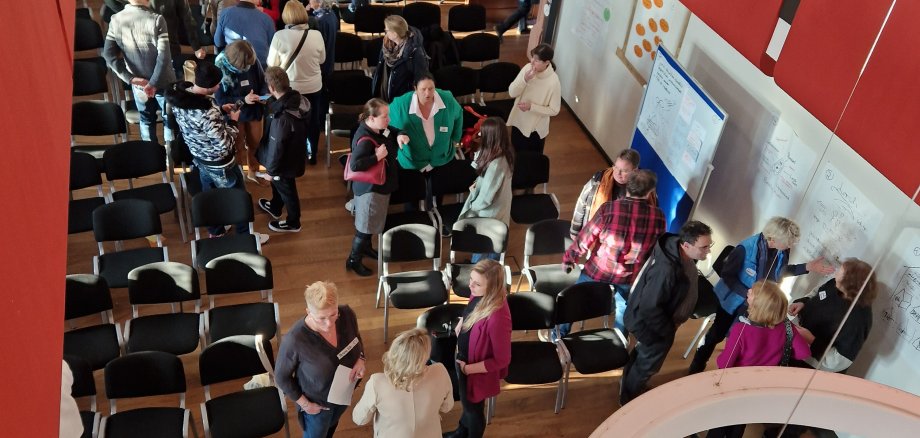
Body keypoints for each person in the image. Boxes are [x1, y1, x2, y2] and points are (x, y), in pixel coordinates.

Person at [688, 217, 836, 374]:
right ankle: (697, 366)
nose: (790, 246)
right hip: (733, 301)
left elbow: (779, 272)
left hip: (757, 304)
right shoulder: (746, 248)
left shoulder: (782, 250)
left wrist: (806, 267)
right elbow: (727, 276)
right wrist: (750, 294)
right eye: (788, 243)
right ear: (772, 239)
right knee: (716, 335)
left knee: (742, 339)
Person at [166, 61, 269, 244]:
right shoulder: (207, 112)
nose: (220, 86)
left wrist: (220, 109)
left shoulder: (181, 98)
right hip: (220, 162)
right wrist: (233, 122)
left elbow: (199, 125)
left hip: (200, 157)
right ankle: (245, 236)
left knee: (210, 196)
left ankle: (216, 231)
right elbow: (224, 144)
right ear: (208, 87)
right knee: (239, 199)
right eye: (217, 84)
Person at [619, 220, 714, 405]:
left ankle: (630, 385)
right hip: (652, 326)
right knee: (647, 363)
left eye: (709, 246)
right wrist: (666, 331)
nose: (708, 251)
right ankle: (628, 400)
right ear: (686, 245)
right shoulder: (667, 270)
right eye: (704, 247)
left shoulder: (679, 253)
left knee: (642, 356)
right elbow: (649, 307)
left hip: (658, 323)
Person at [561, 170, 666, 336]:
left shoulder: (608, 209)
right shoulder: (659, 217)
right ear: (650, 192)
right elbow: (657, 249)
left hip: (598, 270)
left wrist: (570, 258)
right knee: (623, 308)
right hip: (629, 276)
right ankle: (619, 340)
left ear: (627, 187)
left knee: (574, 299)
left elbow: (586, 237)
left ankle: (559, 334)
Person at [706, 280, 811, 438]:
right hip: (760, 387)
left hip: (736, 385)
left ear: (758, 305)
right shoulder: (787, 327)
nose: (748, 292)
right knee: (741, 420)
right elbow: (803, 353)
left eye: (751, 293)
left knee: (721, 421)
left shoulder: (741, 330)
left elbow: (724, 364)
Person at [276, 281, 367, 438]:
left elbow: (356, 338)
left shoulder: (346, 314)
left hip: (343, 394)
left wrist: (361, 358)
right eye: (321, 318)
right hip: (317, 406)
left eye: (333, 314)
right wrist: (306, 405)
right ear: (308, 312)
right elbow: (281, 377)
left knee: (331, 427)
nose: (329, 323)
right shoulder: (295, 340)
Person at [444, 259, 512, 438]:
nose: (470, 286)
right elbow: (472, 308)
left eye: (477, 283)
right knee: (467, 404)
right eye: (471, 279)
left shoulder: (499, 317)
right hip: (464, 360)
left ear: (492, 288)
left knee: (473, 409)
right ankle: (461, 431)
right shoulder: (479, 294)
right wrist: (462, 320)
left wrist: (468, 369)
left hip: (475, 370)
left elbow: (502, 359)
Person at [352, 328, 454, 437]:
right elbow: (447, 407)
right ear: (425, 356)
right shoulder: (440, 371)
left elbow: (359, 419)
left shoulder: (377, 382)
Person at [346, 98, 407, 277]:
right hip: (370, 191)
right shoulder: (365, 138)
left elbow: (392, 130)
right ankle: (353, 260)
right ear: (371, 118)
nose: (388, 119)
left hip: (380, 186)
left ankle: (366, 249)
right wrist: (377, 157)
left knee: (371, 223)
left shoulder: (378, 128)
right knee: (364, 227)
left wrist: (401, 133)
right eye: (385, 116)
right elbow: (355, 165)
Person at [103, 0, 176, 145]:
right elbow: (164, 57)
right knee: (169, 117)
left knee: (146, 119)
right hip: (163, 81)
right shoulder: (157, 20)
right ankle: (171, 158)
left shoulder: (115, 20)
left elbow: (108, 55)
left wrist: (130, 79)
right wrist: (153, 83)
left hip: (139, 84)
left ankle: (151, 155)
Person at [789, 258, 878, 373]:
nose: (835, 274)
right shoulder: (834, 284)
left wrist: (811, 340)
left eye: (839, 273)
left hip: (813, 366)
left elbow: (839, 361)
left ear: (849, 285)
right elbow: (817, 292)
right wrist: (803, 302)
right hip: (797, 343)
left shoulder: (858, 319)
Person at [267, 0, 326, 164]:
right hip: (314, 86)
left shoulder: (279, 36)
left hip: (290, 88)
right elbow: (322, 59)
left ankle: (293, 154)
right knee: (313, 121)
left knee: (290, 121)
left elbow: (272, 64)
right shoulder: (317, 35)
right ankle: (312, 154)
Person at [256, 66, 309, 233]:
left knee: (288, 190)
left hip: (283, 163)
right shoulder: (297, 101)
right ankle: (276, 206)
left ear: (271, 88)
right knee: (279, 186)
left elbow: (276, 147)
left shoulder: (282, 119)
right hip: (293, 155)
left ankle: (294, 222)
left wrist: (271, 171)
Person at [457, 117, 515, 262]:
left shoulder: (496, 164)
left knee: (484, 253)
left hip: (490, 216)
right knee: (491, 250)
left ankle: (477, 271)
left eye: (483, 133)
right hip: (499, 211)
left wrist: (472, 204)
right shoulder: (505, 152)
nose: (480, 135)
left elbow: (486, 199)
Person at [103, 0, 207, 78]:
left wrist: (196, 46)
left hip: (170, 50)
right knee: (146, 98)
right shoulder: (122, 14)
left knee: (167, 95)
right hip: (141, 53)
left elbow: (187, 20)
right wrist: (128, 12)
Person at [214, 40, 269, 184]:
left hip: (254, 110)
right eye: (246, 66)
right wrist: (244, 99)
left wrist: (264, 95)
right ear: (236, 63)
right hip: (234, 114)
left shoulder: (251, 59)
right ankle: (239, 177)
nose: (249, 67)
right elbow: (221, 101)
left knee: (255, 143)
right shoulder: (220, 69)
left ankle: (254, 172)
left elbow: (263, 81)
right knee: (237, 148)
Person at [389, 73, 464, 172]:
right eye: (423, 89)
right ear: (415, 88)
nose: (427, 93)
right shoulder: (399, 105)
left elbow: (459, 115)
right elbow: (386, 125)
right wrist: (398, 136)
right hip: (412, 164)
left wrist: (455, 141)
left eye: (431, 88)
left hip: (442, 159)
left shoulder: (447, 99)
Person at [570, 149, 642, 240]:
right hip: (594, 235)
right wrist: (574, 230)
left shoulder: (644, 189)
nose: (618, 173)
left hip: (621, 240)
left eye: (624, 171)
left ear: (635, 171)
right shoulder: (599, 178)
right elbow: (582, 202)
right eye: (616, 167)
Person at [507, 43, 561, 154]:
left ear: (547, 62)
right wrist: (524, 80)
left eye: (536, 60)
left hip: (535, 129)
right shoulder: (527, 69)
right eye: (532, 57)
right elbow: (512, 92)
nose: (532, 62)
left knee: (532, 159)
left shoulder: (553, 81)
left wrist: (531, 107)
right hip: (519, 121)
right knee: (516, 153)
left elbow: (554, 110)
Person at [306, 0, 340, 163]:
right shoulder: (331, 15)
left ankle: (318, 129)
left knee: (318, 103)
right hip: (328, 65)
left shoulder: (320, 21)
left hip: (321, 67)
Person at [372, 15, 429, 102]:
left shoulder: (415, 51)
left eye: (386, 30)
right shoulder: (386, 45)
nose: (385, 32)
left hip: (404, 100)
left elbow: (421, 78)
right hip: (385, 96)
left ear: (395, 34)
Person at [214, 0, 275, 66]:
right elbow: (273, 49)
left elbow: (218, 42)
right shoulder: (267, 19)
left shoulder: (225, 13)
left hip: (234, 66)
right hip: (259, 69)